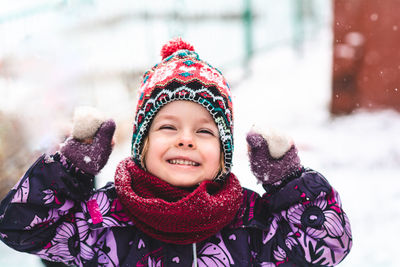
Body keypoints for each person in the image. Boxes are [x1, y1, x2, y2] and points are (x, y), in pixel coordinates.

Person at [0, 38, 352, 266]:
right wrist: (72, 170)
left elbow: (327, 245)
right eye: (168, 127)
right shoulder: (102, 219)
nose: (186, 140)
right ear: (143, 144)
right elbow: (22, 228)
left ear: (224, 152)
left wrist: (288, 181)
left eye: (204, 131)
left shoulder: (252, 222)